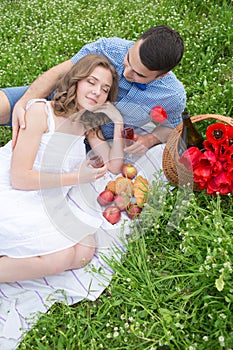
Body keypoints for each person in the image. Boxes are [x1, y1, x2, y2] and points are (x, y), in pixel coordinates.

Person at [0, 53, 125, 282]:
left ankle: (15, 256)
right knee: (62, 256)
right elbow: (19, 178)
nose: (97, 92)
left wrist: (117, 123)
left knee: (85, 253)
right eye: (91, 82)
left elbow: (114, 166)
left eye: (105, 89)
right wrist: (77, 177)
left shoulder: (88, 125)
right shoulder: (40, 112)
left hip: (45, 197)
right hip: (14, 191)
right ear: (76, 81)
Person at [0, 25, 186, 152]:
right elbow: (59, 73)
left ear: (162, 75)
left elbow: (172, 127)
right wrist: (23, 103)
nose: (127, 72)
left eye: (139, 74)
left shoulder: (172, 95)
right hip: (58, 104)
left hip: (92, 141)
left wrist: (150, 140)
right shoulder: (109, 48)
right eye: (128, 60)